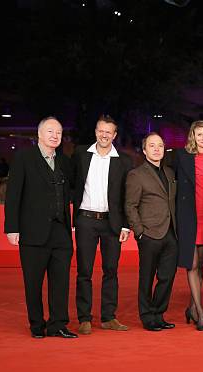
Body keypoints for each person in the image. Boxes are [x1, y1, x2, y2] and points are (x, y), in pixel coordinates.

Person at [4, 116, 77, 338]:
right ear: (39, 135)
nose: (55, 136)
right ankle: (37, 325)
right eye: (50, 132)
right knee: (33, 283)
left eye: (59, 132)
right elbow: (13, 195)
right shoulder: (24, 158)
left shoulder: (64, 161)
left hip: (61, 232)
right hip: (32, 232)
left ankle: (58, 324)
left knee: (60, 282)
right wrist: (12, 228)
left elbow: (71, 191)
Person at [71, 115, 133, 335]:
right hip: (85, 220)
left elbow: (128, 196)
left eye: (109, 132)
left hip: (111, 223)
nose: (104, 135)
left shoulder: (124, 161)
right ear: (95, 131)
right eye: (101, 131)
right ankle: (84, 318)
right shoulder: (80, 154)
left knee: (111, 271)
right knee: (84, 271)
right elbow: (71, 184)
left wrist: (126, 225)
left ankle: (108, 317)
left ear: (115, 135)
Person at [125, 132, 178, 331]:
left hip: (171, 233)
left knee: (167, 276)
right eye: (152, 146)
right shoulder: (136, 174)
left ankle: (158, 313)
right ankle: (147, 316)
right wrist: (139, 232)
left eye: (160, 146)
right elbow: (130, 205)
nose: (157, 149)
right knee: (146, 277)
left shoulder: (170, 173)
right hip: (149, 234)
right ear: (145, 150)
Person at [174, 120, 203, 331]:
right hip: (188, 217)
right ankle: (200, 312)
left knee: (201, 264)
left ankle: (192, 306)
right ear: (193, 136)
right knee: (192, 263)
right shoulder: (181, 157)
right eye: (199, 134)